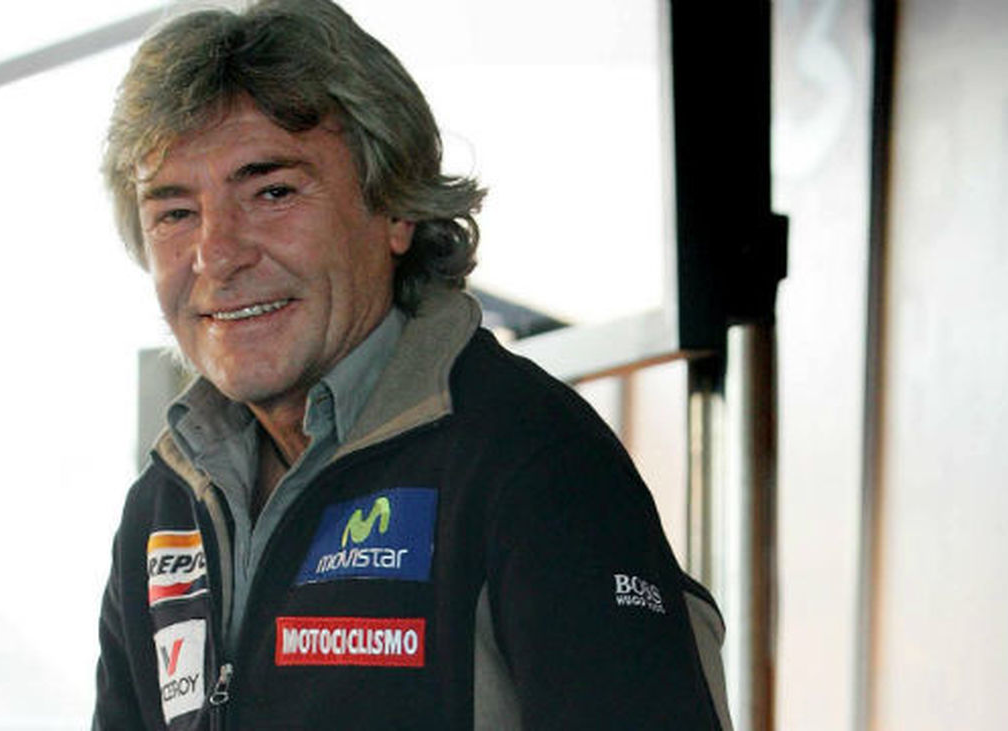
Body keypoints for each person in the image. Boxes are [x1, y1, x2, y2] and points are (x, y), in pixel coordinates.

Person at [93, 1, 730, 728]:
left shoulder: (532, 461)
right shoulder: (163, 507)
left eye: (272, 192)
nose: (217, 255)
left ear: (395, 209)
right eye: (175, 213)